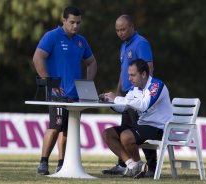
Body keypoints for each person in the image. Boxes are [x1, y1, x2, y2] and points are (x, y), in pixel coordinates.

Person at [32, 6, 97, 175]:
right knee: (55, 127)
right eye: (72, 22)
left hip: (76, 95)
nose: (75, 26)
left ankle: (62, 163)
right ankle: (43, 162)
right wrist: (49, 83)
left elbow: (92, 62)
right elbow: (38, 57)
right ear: (64, 20)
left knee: (69, 129)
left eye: (78, 23)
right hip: (57, 94)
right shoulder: (52, 36)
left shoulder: (81, 41)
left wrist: (87, 85)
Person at [101, 14, 157, 177]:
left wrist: (143, 92)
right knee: (126, 126)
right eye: (117, 30)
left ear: (132, 26)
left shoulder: (141, 43)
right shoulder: (124, 45)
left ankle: (152, 167)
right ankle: (123, 164)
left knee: (141, 130)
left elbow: (149, 68)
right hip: (127, 93)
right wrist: (118, 92)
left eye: (123, 29)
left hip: (138, 94)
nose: (120, 33)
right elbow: (124, 72)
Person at [102, 59, 173, 178]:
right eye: (129, 75)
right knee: (107, 134)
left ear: (144, 74)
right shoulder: (135, 88)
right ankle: (133, 166)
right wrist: (108, 101)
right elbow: (123, 107)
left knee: (125, 136)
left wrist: (116, 98)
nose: (129, 78)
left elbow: (144, 105)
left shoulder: (156, 85)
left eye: (132, 75)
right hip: (143, 125)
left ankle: (138, 167)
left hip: (160, 128)